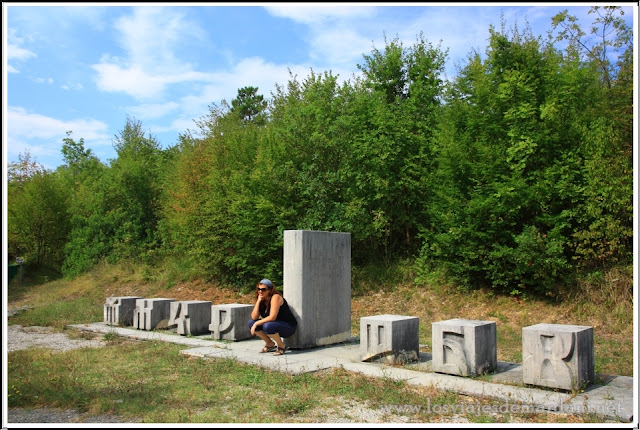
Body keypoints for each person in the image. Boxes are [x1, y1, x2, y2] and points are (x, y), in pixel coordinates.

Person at [248, 278, 297, 356]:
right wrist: (258, 301)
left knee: (267, 326)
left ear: (270, 290)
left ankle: (281, 346)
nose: (260, 291)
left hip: (288, 326)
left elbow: (272, 317)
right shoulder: (262, 299)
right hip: (275, 324)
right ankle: (269, 344)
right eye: (258, 289)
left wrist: (256, 323)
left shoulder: (275, 297)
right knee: (251, 322)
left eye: (263, 289)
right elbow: (254, 317)